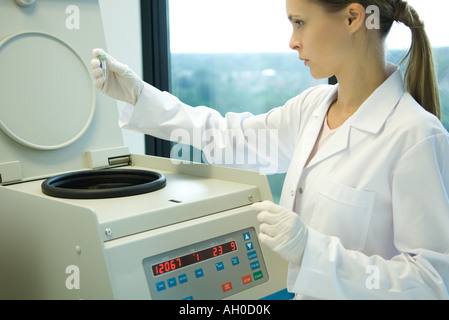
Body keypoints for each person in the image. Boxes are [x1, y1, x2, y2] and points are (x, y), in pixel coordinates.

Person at [91, 0, 449, 299]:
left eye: (300, 22)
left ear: (353, 17)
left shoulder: (414, 136)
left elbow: (433, 284)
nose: (293, 41)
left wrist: (313, 251)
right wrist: (139, 96)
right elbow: (228, 135)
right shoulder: (313, 107)